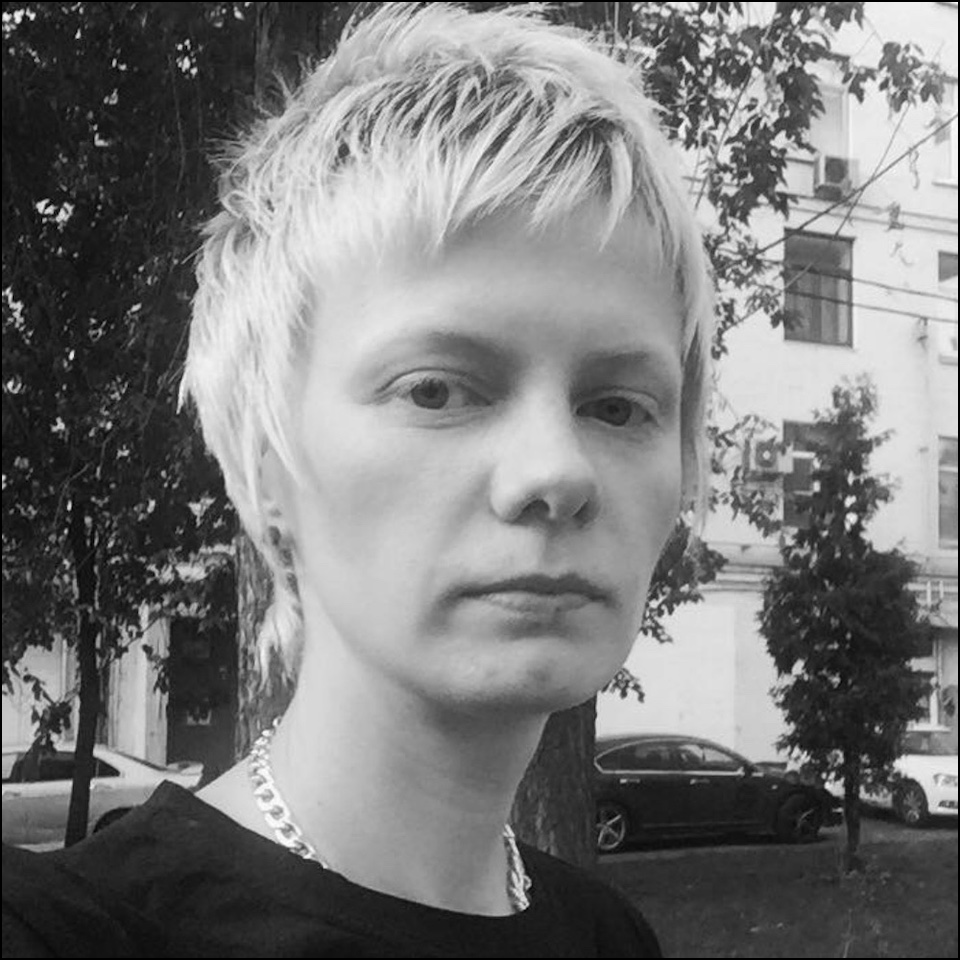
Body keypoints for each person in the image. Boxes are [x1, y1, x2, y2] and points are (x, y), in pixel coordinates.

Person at [2, 2, 713, 956]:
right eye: (436, 389)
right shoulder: (71, 933)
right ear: (265, 474)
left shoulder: (608, 936)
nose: (556, 471)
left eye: (618, 407)